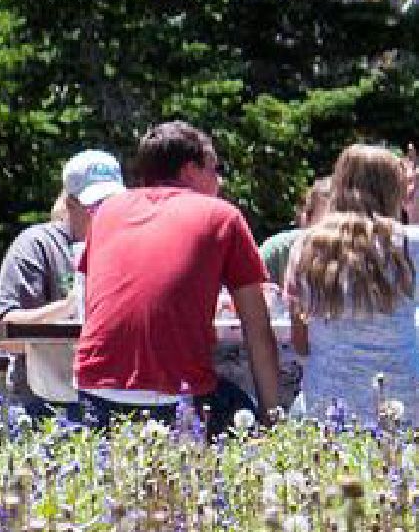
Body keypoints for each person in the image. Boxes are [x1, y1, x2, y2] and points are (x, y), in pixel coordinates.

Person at [74, 122, 284, 432]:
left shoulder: (107, 212)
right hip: (177, 393)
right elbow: (257, 326)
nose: (220, 180)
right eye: (214, 169)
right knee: (245, 428)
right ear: (189, 172)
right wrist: (272, 419)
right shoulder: (221, 215)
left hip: (95, 386)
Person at [286, 143, 419, 427]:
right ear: (395, 189)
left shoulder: (305, 246)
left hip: (328, 406)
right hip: (407, 401)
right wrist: (414, 207)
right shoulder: (413, 243)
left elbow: (301, 342)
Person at [0, 148, 121, 421]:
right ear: (70, 204)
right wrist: (71, 304)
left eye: (114, 203)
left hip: (113, 395)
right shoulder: (37, 245)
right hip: (43, 401)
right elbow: (2, 334)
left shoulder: (130, 247)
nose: (107, 213)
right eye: (97, 205)